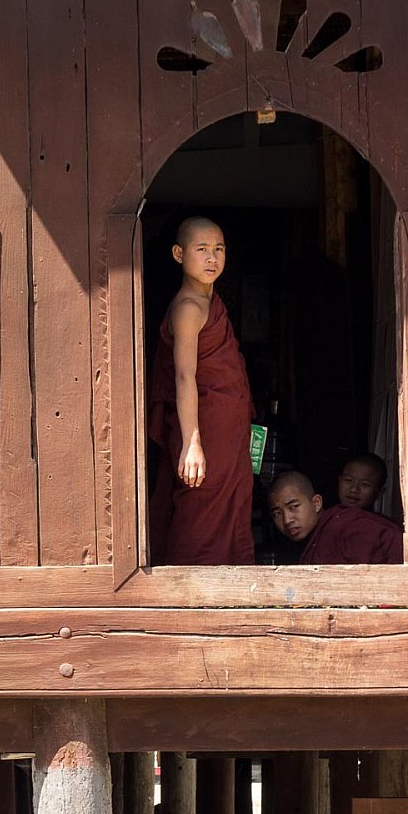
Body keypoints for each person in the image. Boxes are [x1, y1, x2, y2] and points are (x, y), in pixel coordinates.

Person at [147, 217, 254, 565]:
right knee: (201, 508)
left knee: (229, 504)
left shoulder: (209, 301)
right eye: (202, 249)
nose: (212, 258)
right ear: (179, 254)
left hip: (224, 427)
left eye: (219, 249)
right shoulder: (189, 308)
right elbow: (184, 376)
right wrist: (192, 443)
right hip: (203, 428)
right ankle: (188, 585)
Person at [267, 471, 401, 565]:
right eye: (277, 514)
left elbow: (400, 546)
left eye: (294, 507)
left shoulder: (341, 529)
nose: (287, 520)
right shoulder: (317, 538)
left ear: (316, 503)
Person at [337, 452, 390, 519]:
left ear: (379, 493)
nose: (354, 489)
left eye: (365, 484)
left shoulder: (381, 524)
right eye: (348, 480)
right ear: (339, 482)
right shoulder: (326, 518)